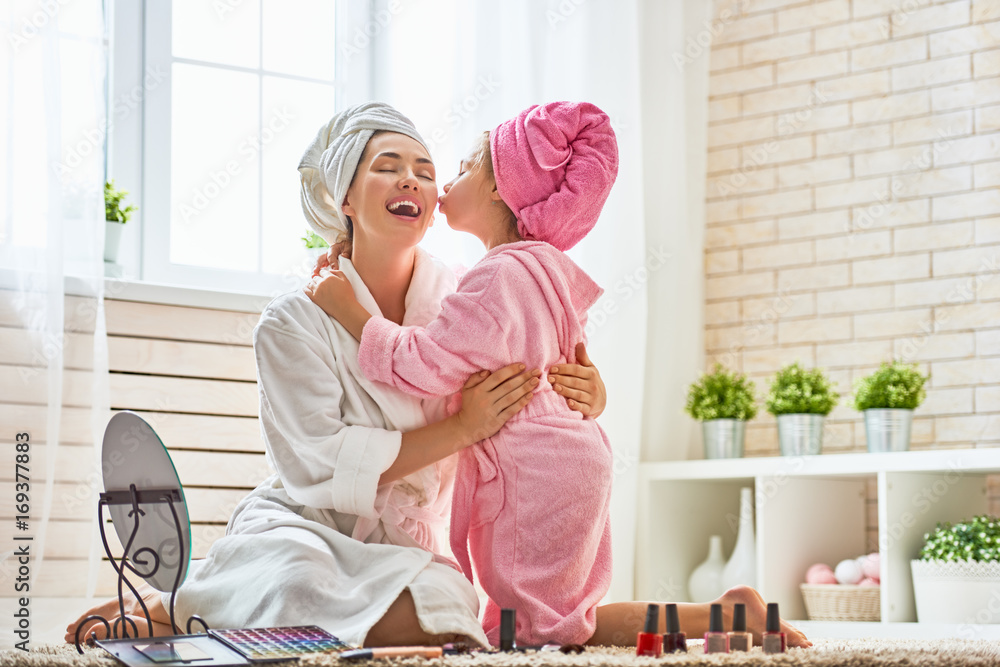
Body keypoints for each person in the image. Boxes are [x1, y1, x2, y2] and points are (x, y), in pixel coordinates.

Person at [68, 102, 811, 650]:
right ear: (344, 198)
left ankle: (719, 617)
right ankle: (181, 608)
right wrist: (460, 428)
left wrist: (593, 387)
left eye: (428, 168)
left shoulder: (468, 288)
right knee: (299, 576)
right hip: (305, 529)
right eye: (386, 165)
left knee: (459, 616)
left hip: (409, 545)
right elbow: (319, 466)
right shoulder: (292, 322)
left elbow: (543, 356)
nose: (414, 179)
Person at [304, 101, 618, 646]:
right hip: (577, 449)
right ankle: (703, 618)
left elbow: (422, 364)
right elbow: (567, 359)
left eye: (458, 169)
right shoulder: (541, 268)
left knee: (528, 630)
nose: (438, 183)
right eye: (392, 168)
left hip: (533, 464)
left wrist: (352, 312)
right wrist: (593, 395)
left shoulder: (495, 277)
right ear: (346, 199)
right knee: (566, 619)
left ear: (500, 189)